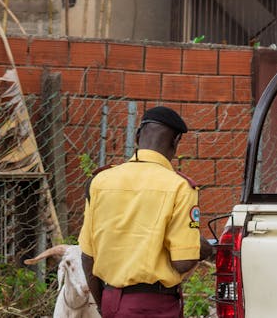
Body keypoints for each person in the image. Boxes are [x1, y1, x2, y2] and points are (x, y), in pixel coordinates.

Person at [79, 106, 213, 317]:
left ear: (137, 136)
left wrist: (104, 306)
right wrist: (201, 247)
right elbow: (183, 262)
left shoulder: (100, 181)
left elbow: (87, 256)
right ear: (176, 141)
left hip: (110, 301)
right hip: (153, 306)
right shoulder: (179, 187)